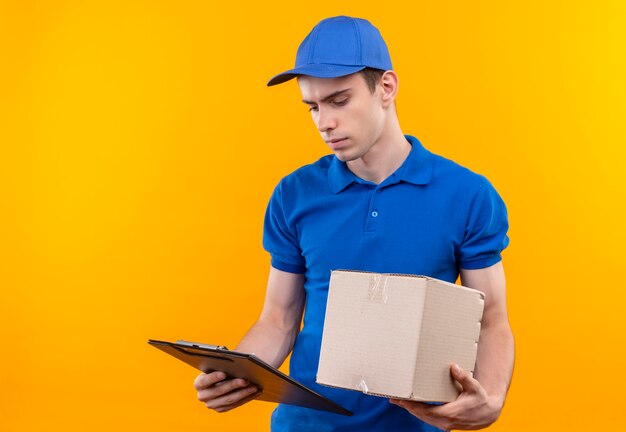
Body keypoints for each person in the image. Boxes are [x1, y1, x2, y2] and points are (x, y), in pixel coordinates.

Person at [194, 16, 514, 432]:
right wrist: (237, 376)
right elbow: (278, 319)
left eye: (339, 101)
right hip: (306, 424)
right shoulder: (295, 194)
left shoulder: (467, 195)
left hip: (414, 424)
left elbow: (490, 319)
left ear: (386, 87)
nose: (324, 122)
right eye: (313, 106)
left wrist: (490, 397)